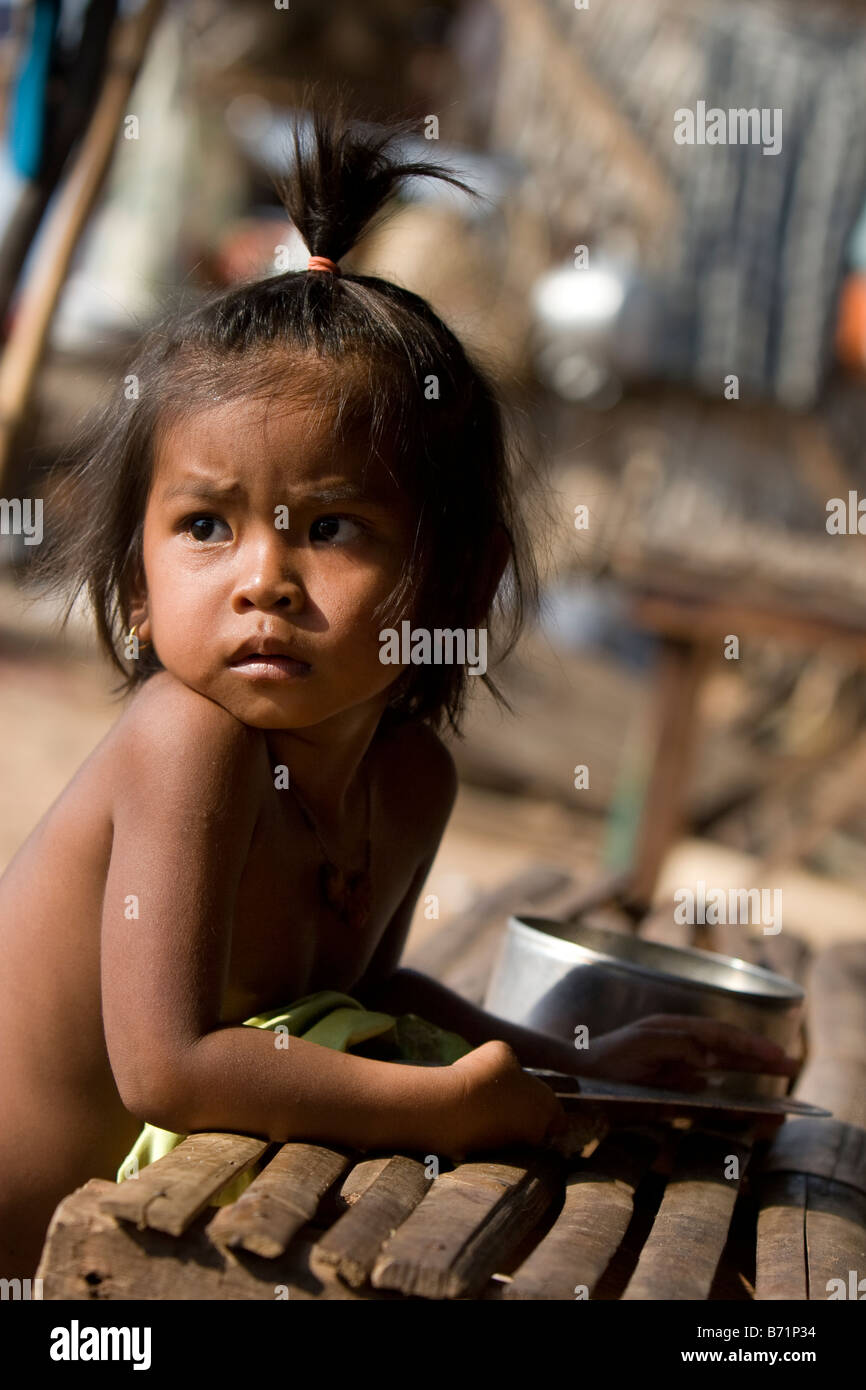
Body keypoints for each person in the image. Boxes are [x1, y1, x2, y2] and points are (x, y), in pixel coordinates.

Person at [0, 102, 796, 1279]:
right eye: (205, 527)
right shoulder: (187, 740)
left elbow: (363, 988)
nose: (262, 579)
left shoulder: (409, 777)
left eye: (328, 526)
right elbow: (167, 1067)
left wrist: (568, 1056)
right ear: (133, 581)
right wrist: (446, 1113)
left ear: (458, 581)